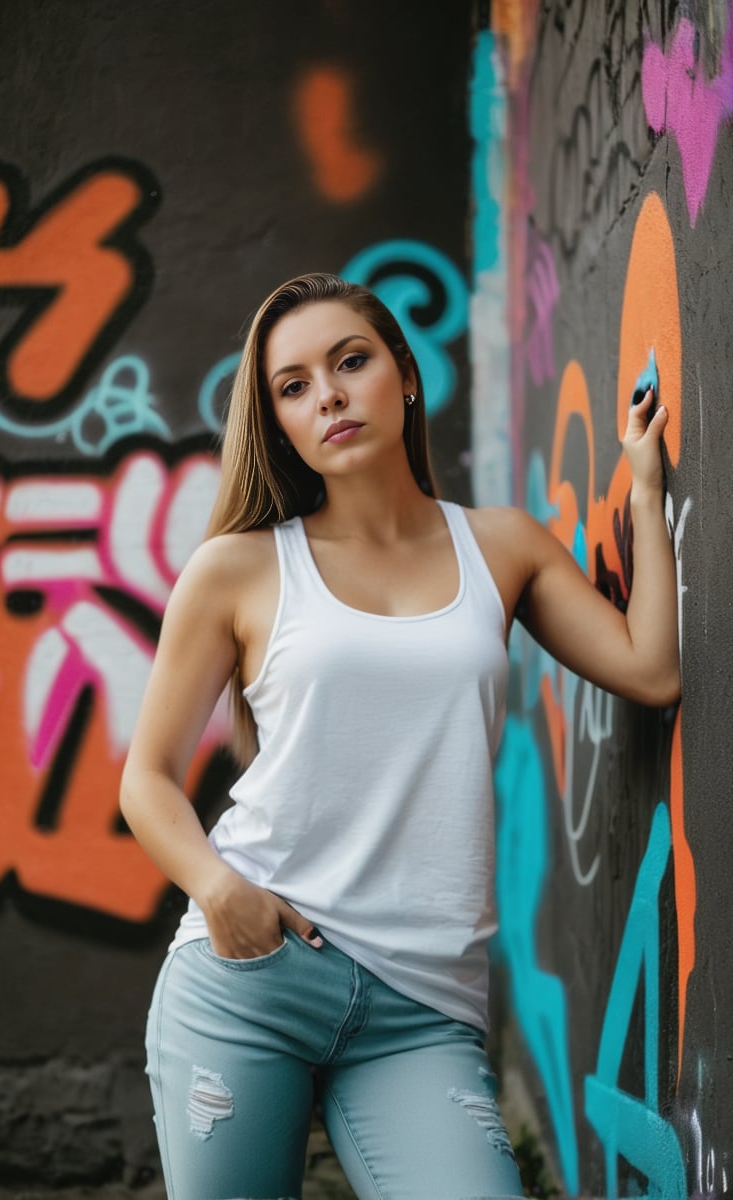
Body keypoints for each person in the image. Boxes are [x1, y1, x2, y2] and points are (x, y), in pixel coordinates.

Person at [120, 272, 680, 1200]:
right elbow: (146, 779)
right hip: (251, 978)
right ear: (278, 422)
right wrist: (220, 891)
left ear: (404, 376)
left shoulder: (499, 547)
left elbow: (650, 668)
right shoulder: (239, 568)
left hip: (422, 1009)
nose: (329, 395)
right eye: (293, 387)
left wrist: (648, 485)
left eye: (351, 362)